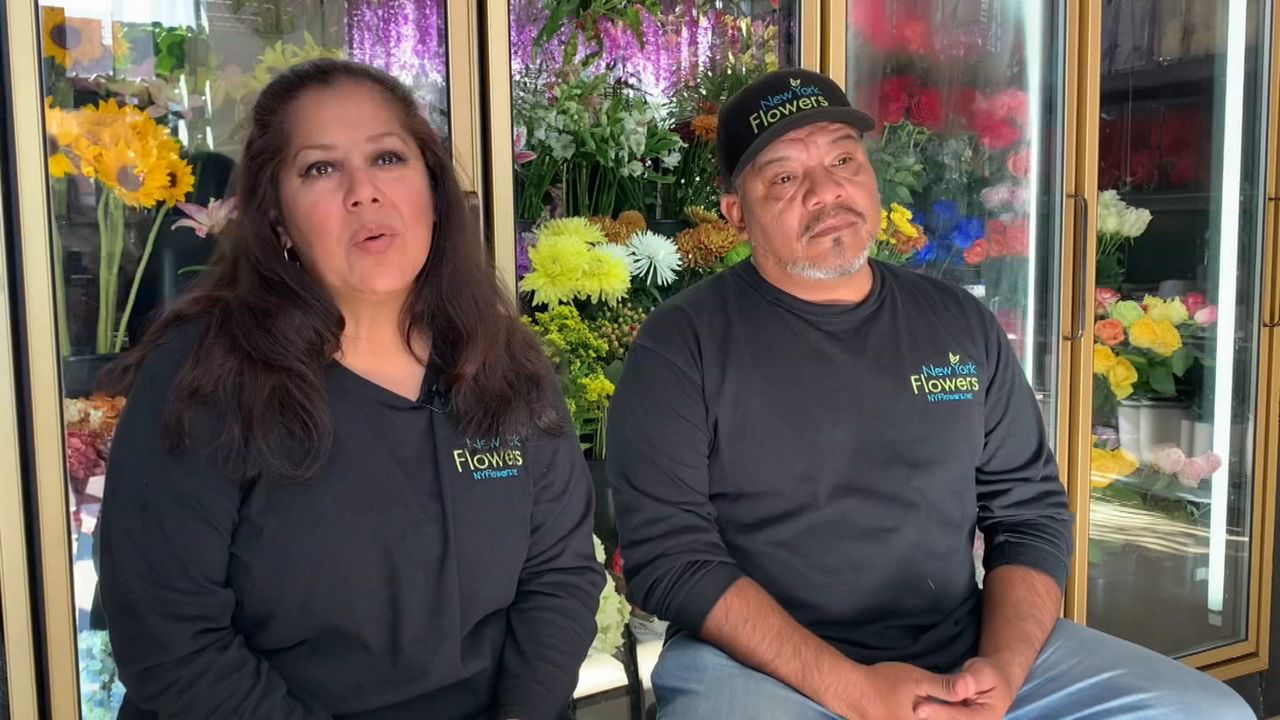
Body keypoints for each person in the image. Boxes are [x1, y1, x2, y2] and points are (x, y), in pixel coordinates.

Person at [606, 68, 1255, 720]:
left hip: (961, 647)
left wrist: (1000, 672)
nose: (826, 190)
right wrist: (856, 692)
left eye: (843, 159)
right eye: (783, 177)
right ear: (735, 214)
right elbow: (673, 558)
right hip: (759, 668)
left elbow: (1029, 514)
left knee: (1210, 711)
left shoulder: (956, 322)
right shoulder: (680, 346)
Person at [98, 59, 603, 720]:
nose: (363, 192)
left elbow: (559, 578)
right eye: (320, 168)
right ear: (276, 221)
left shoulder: (506, 363)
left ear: (432, 189)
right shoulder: (203, 376)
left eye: (388, 158)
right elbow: (170, 642)